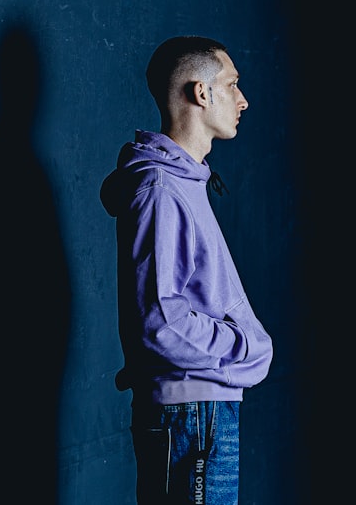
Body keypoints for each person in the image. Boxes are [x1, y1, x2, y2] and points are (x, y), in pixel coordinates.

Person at [99, 35, 274, 504]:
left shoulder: (185, 182)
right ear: (201, 92)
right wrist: (247, 345)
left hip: (204, 407)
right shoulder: (161, 190)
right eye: (232, 84)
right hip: (192, 412)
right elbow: (160, 321)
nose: (243, 99)